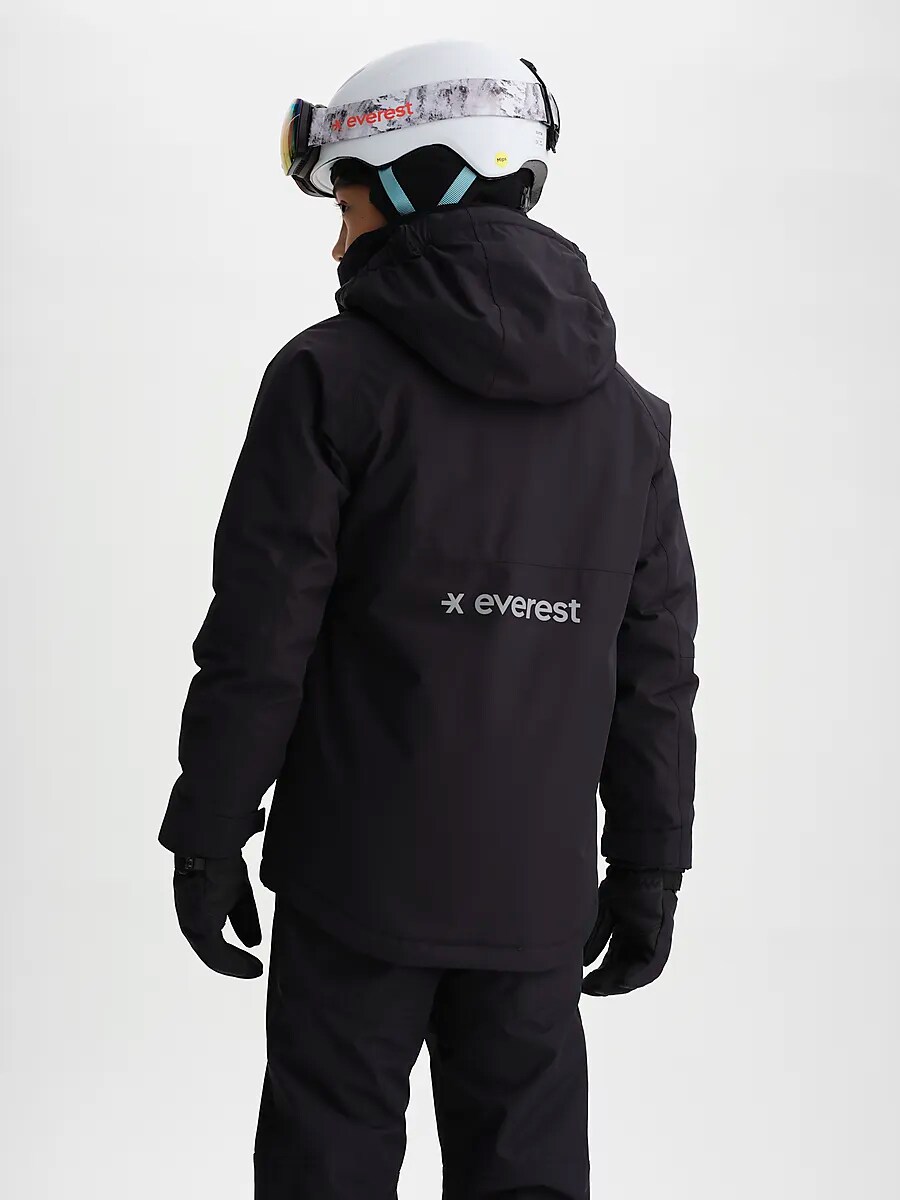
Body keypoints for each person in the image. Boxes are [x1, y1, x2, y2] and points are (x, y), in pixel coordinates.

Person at [159, 39, 699, 1200]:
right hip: (535, 898)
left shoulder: (326, 379)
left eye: (346, 204)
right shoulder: (629, 421)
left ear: (415, 185)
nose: (337, 240)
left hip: (354, 887)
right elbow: (654, 669)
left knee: (328, 1167)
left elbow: (261, 636)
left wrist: (208, 830)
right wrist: (651, 867)